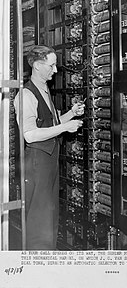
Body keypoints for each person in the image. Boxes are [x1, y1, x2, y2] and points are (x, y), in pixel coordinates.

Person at [14, 45, 84, 250]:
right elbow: (30, 134)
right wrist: (65, 127)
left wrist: (71, 114)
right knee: (39, 221)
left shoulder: (44, 91)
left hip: (49, 161)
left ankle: (47, 260)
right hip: (37, 163)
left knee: (49, 218)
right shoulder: (26, 95)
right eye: (51, 66)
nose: (55, 71)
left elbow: (49, 125)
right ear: (37, 65)